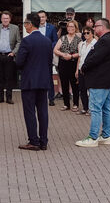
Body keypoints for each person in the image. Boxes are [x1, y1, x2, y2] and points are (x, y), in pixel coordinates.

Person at [76, 18, 110, 147]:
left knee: (95, 109)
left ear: (102, 27)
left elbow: (94, 58)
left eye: (95, 27)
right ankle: (106, 136)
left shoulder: (105, 41)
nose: (93, 29)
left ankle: (93, 137)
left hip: (99, 81)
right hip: (106, 80)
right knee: (106, 108)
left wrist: (83, 67)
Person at [15, 13, 53, 150]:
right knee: (43, 112)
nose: (24, 26)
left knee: (30, 112)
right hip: (44, 81)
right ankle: (43, 141)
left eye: (25, 23)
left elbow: (19, 62)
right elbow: (49, 62)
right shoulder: (47, 41)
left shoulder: (27, 41)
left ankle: (34, 141)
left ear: (30, 24)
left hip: (30, 82)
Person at [0, 11, 20, 104]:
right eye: (3, 18)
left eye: (7, 18)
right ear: (1, 19)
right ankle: (0, 97)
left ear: (10, 19)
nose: (5, 20)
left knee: (9, 78)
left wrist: (14, 52)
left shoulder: (15, 28)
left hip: (9, 56)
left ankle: (9, 98)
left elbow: (19, 42)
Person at [53, 19, 82, 112]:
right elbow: (55, 49)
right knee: (64, 84)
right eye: (69, 26)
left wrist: (72, 56)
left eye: (72, 26)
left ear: (75, 28)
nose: (70, 28)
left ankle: (75, 104)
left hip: (74, 63)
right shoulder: (63, 38)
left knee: (74, 85)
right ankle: (66, 104)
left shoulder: (79, 39)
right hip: (63, 63)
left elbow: (81, 52)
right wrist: (63, 54)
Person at [37, 10, 58, 106]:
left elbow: (55, 41)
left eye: (43, 17)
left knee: (49, 77)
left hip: (47, 55)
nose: (41, 19)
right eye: (39, 17)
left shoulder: (52, 28)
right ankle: (38, 98)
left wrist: (48, 46)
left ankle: (51, 98)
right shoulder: (35, 27)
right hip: (36, 56)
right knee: (37, 76)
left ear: (46, 18)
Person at [75, 26, 94, 115]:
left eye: (88, 33)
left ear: (92, 33)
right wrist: (77, 70)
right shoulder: (82, 44)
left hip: (90, 70)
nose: (86, 34)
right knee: (82, 89)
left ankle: (91, 108)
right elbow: (80, 57)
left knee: (90, 90)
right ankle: (85, 107)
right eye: (84, 33)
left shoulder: (95, 44)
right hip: (81, 69)